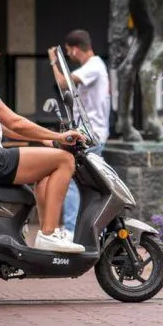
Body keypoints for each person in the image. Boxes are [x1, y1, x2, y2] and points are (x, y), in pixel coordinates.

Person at [0, 26, 86, 253]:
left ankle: (47, 234)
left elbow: (4, 128)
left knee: (49, 165)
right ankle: (49, 234)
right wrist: (59, 136)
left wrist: (46, 142)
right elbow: (15, 123)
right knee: (64, 160)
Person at [48, 29, 111, 235]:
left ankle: (72, 230)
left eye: (68, 52)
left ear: (75, 50)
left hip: (90, 135)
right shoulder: (94, 66)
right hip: (89, 132)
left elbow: (64, 83)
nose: (68, 56)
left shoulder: (94, 66)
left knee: (73, 178)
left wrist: (53, 62)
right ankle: (90, 230)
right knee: (85, 181)